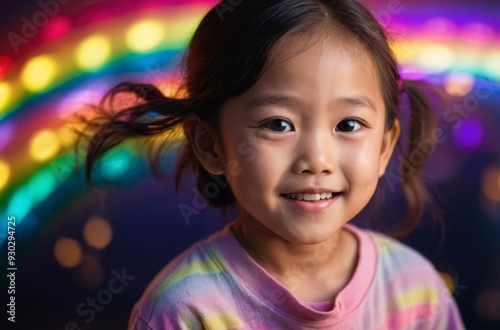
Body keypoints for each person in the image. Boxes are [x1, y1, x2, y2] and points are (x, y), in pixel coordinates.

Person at [78, 0, 465, 328]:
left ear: (384, 148)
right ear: (210, 144)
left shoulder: (417, 291)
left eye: (348, 124)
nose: (317, 159)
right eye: (278, 124)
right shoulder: (186, 311)